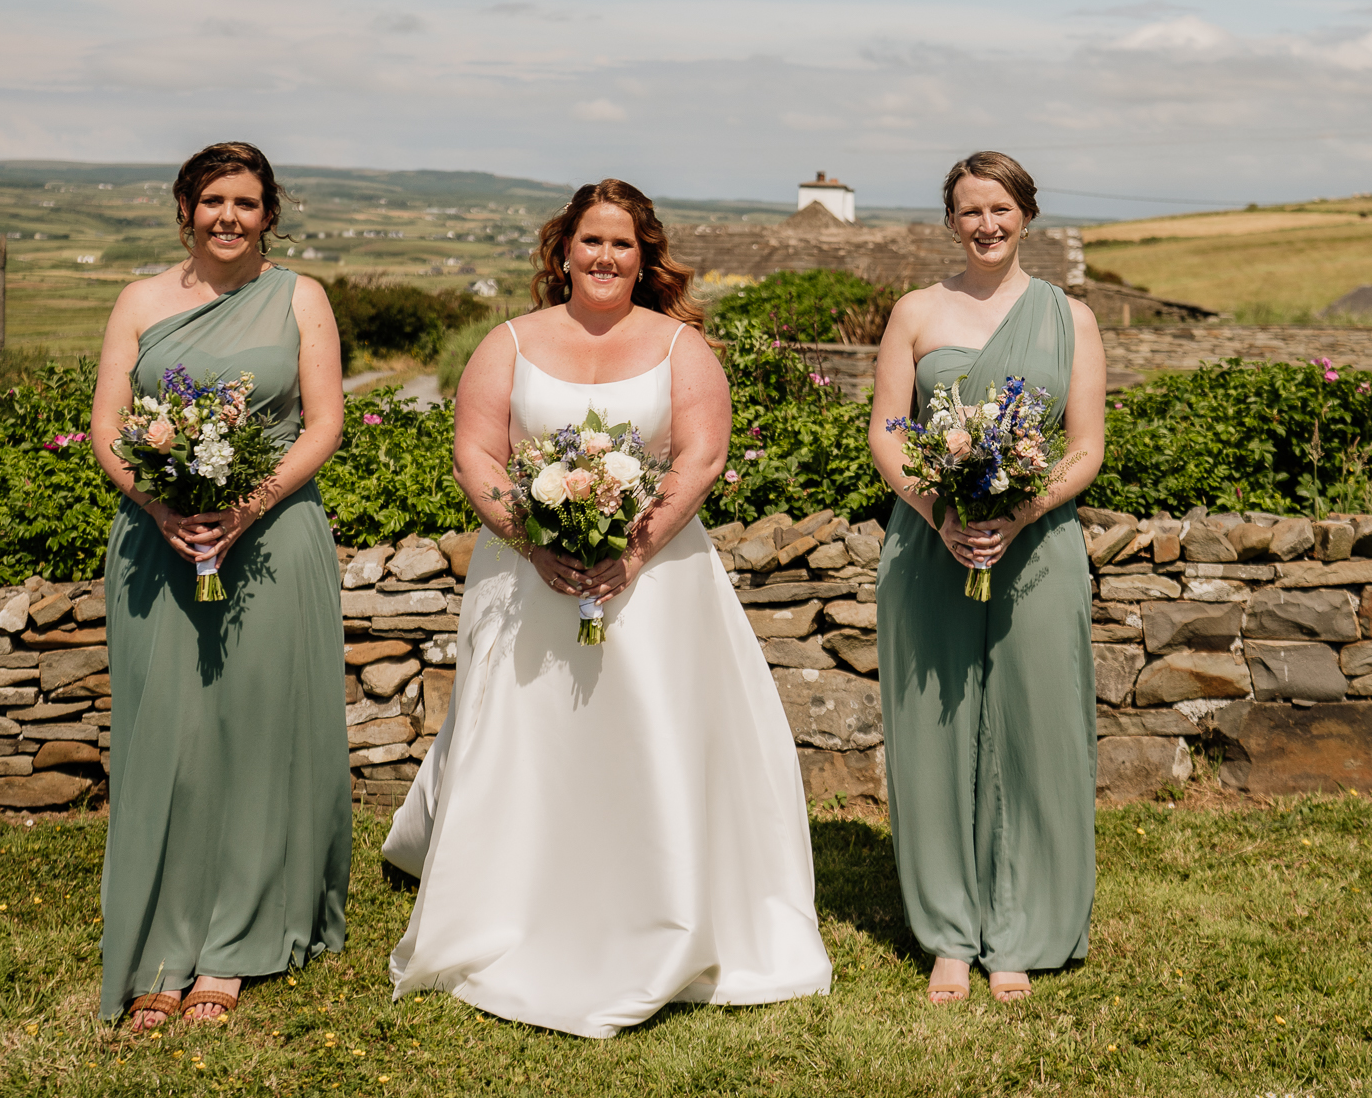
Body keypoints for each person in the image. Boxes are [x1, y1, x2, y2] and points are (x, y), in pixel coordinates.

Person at [381, 178, 832, 1038]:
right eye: (591, 240)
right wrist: (533, 538)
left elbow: (699, 458)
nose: (605, 257)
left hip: (655, 581)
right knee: (527, 733)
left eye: (623, 244)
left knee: (650, 735)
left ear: (644, 256)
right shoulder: (507, 342)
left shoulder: (679, 346)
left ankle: (662, 905)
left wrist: (631, 548)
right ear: (563, 250)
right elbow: (476, 450)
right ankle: (512, 899)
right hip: (527, 579)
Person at [90, 141, 350, 1030]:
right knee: (168, 739)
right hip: (156, 543)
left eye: (246, 202)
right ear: (185, 209)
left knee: (256, 735)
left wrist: (248, 503)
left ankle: (235, 945)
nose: (228, 217)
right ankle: (163, 942)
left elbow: (324, 425)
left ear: (269, 214)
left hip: (274, 541)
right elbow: (109, 428)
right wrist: (162, 507)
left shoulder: (301, 298)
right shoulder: (139, 301)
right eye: (212, 201)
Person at [868, 151, 1107, 1005]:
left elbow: (1086, 446)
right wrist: (940, 513)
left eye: (1001, 208)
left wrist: (1018, 513)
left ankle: (1023, 931)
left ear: (1027, 216)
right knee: (935, 727)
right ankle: (950, 934)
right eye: (970, 211)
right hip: (929, 542)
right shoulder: (915, 313)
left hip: (1036, 546)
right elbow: (889, 433)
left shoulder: (1070, 318)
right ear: (950, 221)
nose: (987, 225)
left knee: (1036, 730)